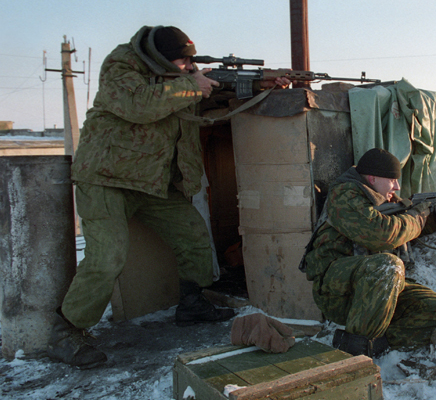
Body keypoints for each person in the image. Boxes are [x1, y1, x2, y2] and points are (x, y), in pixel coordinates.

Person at [47, 25, 290, 368]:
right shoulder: (122, 66)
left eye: (190, 63)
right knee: (108, 255)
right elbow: (137, 105)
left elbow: (204, 98)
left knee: (193, 237)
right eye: (181, 62)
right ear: (157, 59)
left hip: (153, 180)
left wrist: (258, 85)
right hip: (106, 177)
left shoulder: (181, 80)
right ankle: (65, 330)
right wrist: (193, 84)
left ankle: (192, 303)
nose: (188, 69)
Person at [302, 148, 436, 357]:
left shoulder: (382, 199)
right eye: (392, 180)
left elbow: (402, 229)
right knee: (389, 264)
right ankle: (352, 354)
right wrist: (416, 218)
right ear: (372, 178)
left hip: (379, 288)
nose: (397, 186)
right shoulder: (344, 197)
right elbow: (382, 233)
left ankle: (374, 346)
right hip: (337, 291)